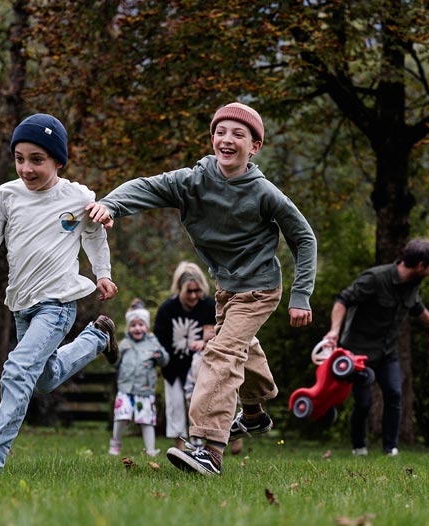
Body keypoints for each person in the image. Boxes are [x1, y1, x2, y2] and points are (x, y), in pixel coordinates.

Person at [88, 102, 317, 475]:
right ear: (212, 139)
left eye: (238, 134)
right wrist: (111, 205)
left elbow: (304, 238)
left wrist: (301, 295)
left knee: (221, 354)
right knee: (241, 347)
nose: (227, 139)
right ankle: (254, 413)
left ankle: (209, 449)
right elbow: (146, 186)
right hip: (226, 287)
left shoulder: (264, 193)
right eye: (220, 132)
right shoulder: (192, 181)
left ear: (255, 146)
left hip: (260, 288)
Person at [0, 113, 119, 476]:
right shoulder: (5, 196)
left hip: (57, 305)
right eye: (20, 158)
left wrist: (102, 273)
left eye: (37, 160)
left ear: (58, 161)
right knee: (42, 379)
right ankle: (98, 337)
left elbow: (94, 234)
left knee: (16, 371)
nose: (26, 168)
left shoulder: (78, 197)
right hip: (21, 305)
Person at [322, 238, 429, 457]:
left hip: (387, 351)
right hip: (358, 351)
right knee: (364, 403)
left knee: (394, 394)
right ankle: (359, 447)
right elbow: (342, 300)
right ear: (420, 265)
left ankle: (390, 448)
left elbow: (417, 308)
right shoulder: (375, 278)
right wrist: (334, 331)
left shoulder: (413, 284)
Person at [154, 261, 216, 450]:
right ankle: (179, 447)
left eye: (197, 290)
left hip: (200, 366)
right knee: (175, 406)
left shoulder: (209, 306)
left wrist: (205, 344)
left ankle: (201, 445)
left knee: (199, 404)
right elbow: (159, 338)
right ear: (180, 289)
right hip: (173, 367)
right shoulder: (168, 309)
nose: (193, 295)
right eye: (189, 291)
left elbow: (218, 333)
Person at [109, 300, 169, 457]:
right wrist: (111, 353)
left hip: (145, 390)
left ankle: (150, 450)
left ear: (147, 327)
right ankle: (115, 443)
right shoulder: (125, 344)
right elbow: (115, 363)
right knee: (121, 417)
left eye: (141, 324)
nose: (137, 328)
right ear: (128, 327)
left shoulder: (152, 343)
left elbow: (164, 361)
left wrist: (159, 355)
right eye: (133, 325)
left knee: (147, 420)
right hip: (126, 388)